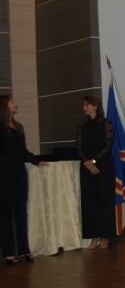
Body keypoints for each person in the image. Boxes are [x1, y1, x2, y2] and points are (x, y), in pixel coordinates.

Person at [0, 95, 48, 264]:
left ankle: (24, 249)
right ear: (5, 106)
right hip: (4, 173)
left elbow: (23, 151)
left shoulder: (18, 126)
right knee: (6, 212)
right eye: (12, 102)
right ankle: (8, 252)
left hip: (19, 172)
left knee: (21, 210)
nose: (15, 104)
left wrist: (37, 161)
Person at [75, 95, 116, 249]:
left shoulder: (106, 123)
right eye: (83, 105)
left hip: (103, 166)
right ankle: (94, 236)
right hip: (87, 167)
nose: (84, 108)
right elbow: (78, 147)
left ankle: (106, 236)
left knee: (105, 201)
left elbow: (108, 146)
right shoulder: (82, 126)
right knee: (90, 203)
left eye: (87, 105)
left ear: (95, 106)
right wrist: (87, 162)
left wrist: (93, 161)